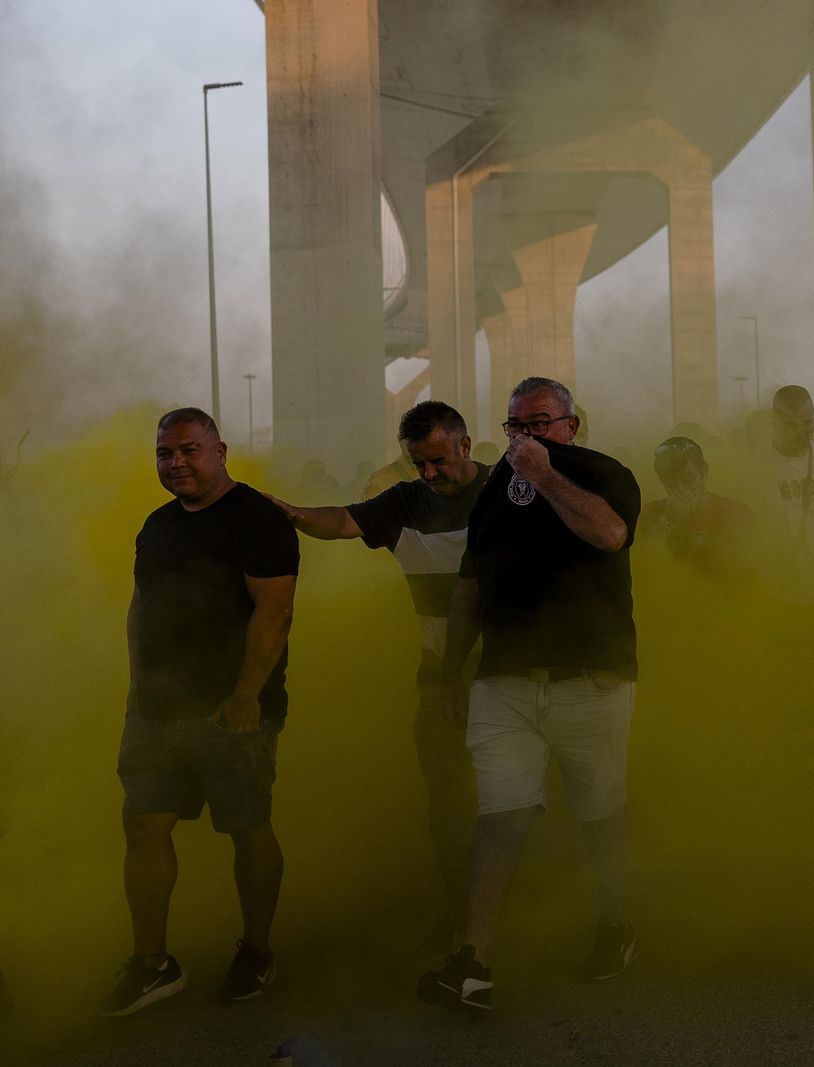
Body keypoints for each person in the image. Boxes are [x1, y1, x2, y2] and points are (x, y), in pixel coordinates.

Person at [420, 377, 641, 1010]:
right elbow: (470, 583)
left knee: (600, 813)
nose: (527, 435)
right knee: (499, 817)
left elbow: (609, 536)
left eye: (541, 422)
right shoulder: (492, 491)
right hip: (506, 680)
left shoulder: (605, 473)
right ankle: (473, 961)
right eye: (517, 425)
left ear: (571, 425)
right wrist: (451, 669)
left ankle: (616, 924)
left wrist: (544, 475)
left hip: (590, 679)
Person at [268, 401, 489, 952]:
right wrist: (289, 512)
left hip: (511, 675)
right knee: (446, 800)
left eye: (438, 460)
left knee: (511, 801)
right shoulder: (404, 503)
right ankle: (462, 912)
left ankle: (513, 908)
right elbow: (342, 520)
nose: (429, 475)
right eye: (419, 464)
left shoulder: (510, 491)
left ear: (465, 444)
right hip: (439, 681)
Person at [105, 408, 299, 1015]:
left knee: (246, 828)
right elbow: (141, 608)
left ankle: (256, 951)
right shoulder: (157, 525)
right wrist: (138, 689)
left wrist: (245, 697)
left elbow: (274, 613)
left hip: (232, 712)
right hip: (157, 711)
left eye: (190, 450)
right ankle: (152, 963)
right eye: (165, 453)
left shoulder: (258, 519)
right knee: (144, 826)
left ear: (220, 450)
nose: (177, 463)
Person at [753, 385, 814, 605]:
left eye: (807, 423)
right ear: (774, 421)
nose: (800, 430)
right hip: (786, 595)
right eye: (790, 424)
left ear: (813, 416)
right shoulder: (756, 468)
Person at [637, 435, 757, 580]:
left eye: (688, 480)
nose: (681, 489)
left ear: (704, 471)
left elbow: (751, 567)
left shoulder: (735, 511)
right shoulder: (652, 513)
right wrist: (668, 521)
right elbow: (643, 565)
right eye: (671, 484)